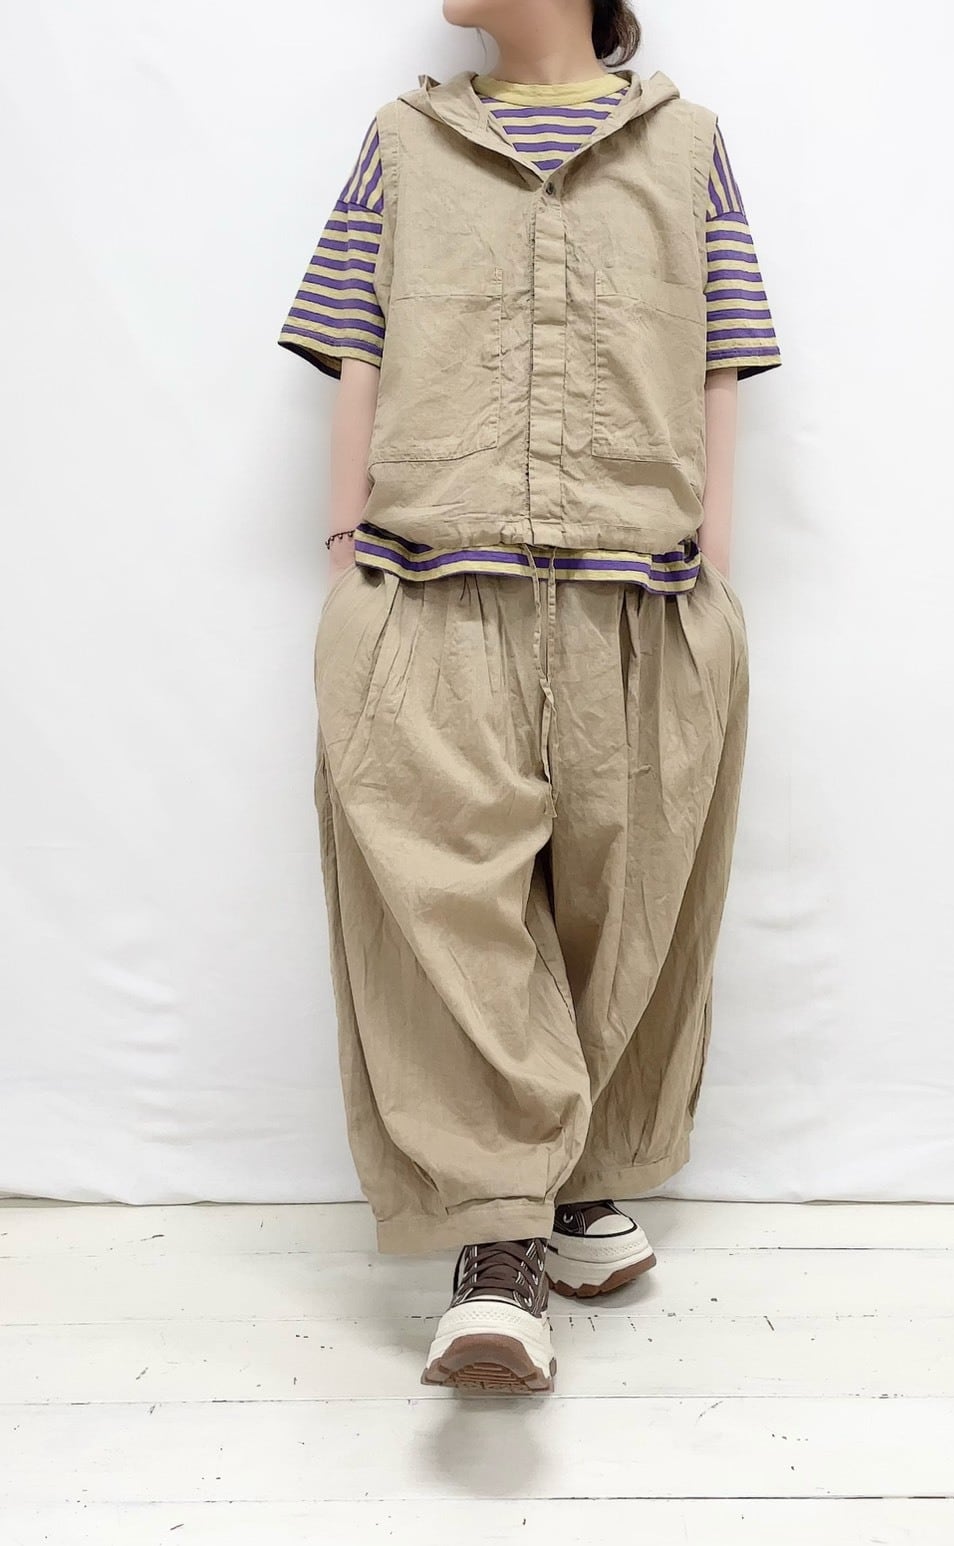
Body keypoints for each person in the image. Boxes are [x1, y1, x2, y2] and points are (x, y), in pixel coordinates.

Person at [278, 0, 781, 1395]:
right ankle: (495, 1245)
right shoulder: (403, 140)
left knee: (624, 915)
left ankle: (574, 1183)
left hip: (642, 589)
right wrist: (346, 554)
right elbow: (356, 343)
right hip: (429, 582)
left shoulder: (687, 143)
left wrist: (710, 566)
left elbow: (723, 352)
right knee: (451, 916)